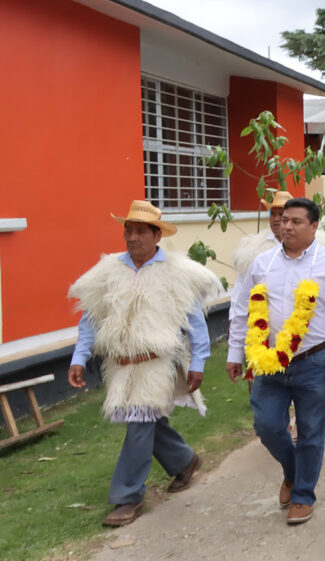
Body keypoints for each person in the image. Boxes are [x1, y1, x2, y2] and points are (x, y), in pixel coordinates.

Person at [67, 200, 223, 527]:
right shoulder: (108, 270)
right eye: (129, 230)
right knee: (147, 423)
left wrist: (199, 363)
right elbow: (89, 320)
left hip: (157, 365)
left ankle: (127, 497)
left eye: (140, 231)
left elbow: (195, 324)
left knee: (139, 425)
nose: (132, 237)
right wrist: (79, 358)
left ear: (156, 235)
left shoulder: (178, 273)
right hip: (121, 366)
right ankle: (185, 461)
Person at [226, 198, 325, 526]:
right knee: (267, 425)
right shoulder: (262, 263)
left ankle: (303, 495)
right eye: (284, 220)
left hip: (315, 361)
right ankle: (291, 471)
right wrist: (234, 353)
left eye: (296, 221)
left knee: (312, 432)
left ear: (314, 227)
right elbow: (242, 309)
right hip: (270, 362)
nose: (286, 226)